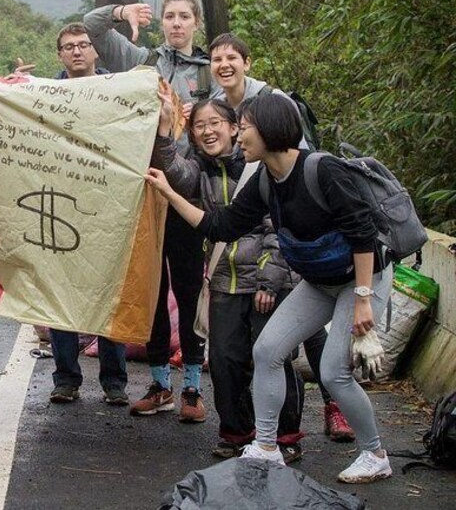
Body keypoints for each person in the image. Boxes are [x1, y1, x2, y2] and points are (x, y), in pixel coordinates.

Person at [145, 92, 394, 483]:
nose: (238, 137)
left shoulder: (324, 169)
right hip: (319, 281)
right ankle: (265, 447)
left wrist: (363, 300)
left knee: (333, 372)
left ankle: (374, 453)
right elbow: (221, 226)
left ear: (270, 130)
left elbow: (363, 235)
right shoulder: (265, 179)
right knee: (268, 350)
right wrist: (170, 194)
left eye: (244, 129)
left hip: (361, 279)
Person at [208, 32, 355, 442]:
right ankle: (265, 437)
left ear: (247, 62)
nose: (223, 65)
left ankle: (337, 410)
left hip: (302, 246)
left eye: (231, 58)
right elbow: (223, 218)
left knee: (314, 340)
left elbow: (296, 175)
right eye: (216, 58)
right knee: (267, 348)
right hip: (265, 247)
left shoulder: (272, 107)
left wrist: (362, 296)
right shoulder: (216, 110)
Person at [84, 0, 219, 420]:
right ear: (160, 21)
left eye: (184, 16)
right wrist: (123, 11)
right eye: (169, 16)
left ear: (196, 23)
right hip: (140, 196)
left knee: (189, 287)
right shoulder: (141, 60)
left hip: (186, 195)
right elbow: (92, 27)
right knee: (152, 291)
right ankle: (160, 383)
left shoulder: (209, 74)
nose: (176, 23)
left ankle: (193, 389)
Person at [153, 97, 306, 462]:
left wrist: (269, 281)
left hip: (265, 280)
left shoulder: (257, 168)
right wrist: (164, 129)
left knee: (275, 359)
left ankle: (286, 437)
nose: (207, 131)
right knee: (224, 361)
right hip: (224, 279)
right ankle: (237, 432)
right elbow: (175, 171)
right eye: (200, 126)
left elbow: (278, 227)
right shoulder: (199, 170)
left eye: (215, 123)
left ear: (235, 128)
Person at [45, 23, 129, 406]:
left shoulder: (119, 91)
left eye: (83, 45)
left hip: (109, 204)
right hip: (61, 202)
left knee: (110, 290)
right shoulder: (45, 95)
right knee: (61, 290)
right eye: (69, 47)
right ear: (60, 54)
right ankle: (66, 377)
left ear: (96, 51)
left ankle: (114, 380)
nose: (77, 51)